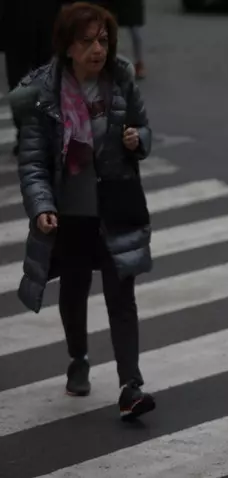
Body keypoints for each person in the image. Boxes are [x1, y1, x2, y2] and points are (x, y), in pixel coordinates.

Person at [9, 1, 155, 421]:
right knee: (73, 292)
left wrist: (138, 140)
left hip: (116, 206)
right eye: (87, 41)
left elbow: (145, 128)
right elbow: (33, 162)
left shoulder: (120, 79)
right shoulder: (41, 93)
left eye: (103, 40)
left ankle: (131, 386)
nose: (98, 49)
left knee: (121, 297)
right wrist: (41, 207)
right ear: (67, 46)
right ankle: (78, 359)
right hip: (70, 214)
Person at [0, 0, 64, 158]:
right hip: (33, 20)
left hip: (26, 21)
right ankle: (36, 134)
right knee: (36, 80)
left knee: (29, 80)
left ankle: (32, 134)